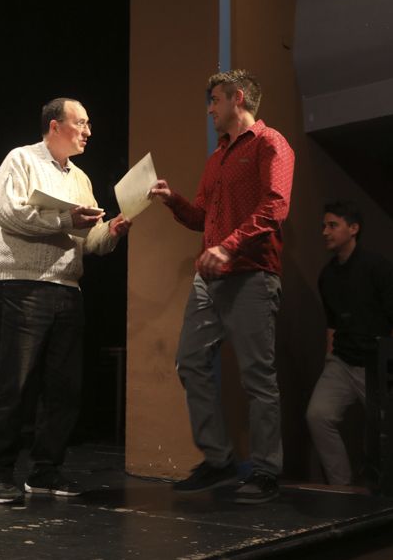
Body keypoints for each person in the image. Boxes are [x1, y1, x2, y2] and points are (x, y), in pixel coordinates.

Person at [150, 69, 295, 505]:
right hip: (210, 278)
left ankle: (267, 471)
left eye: (214, 99)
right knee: (189, 362)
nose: (210, 108)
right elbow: (201, 216)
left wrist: (229, 248)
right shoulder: (217, 158)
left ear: (236, 98)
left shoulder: (272, 144)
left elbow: (276, 205)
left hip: (251, 273)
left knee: (256, 376)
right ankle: (219, 459)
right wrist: (172, 199)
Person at [0, 97, 131, 505]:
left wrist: (114, 229)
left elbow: (91, 242)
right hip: (22, 287)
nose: (87, 131)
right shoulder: (21, 160)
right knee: (14, 384)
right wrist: (66, 220)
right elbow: (9, 214)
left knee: (64, 388)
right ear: (54, 125)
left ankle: (46, 470)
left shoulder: (80, 178)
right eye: (80, 123)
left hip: (68, 290)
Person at [305, 201, 393, 486]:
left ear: (353, 229)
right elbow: (332, 322)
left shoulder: (375, 267)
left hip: (376, 362)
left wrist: (392, 367)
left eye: (332, 225)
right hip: (343, 360)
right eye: (323, 226)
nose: (325, 232)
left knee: (389, 427)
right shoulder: (327, 275)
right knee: (318, 415)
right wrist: (330, 358)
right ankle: (341, 486)